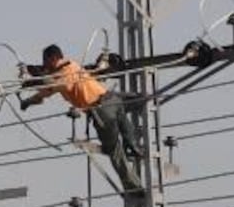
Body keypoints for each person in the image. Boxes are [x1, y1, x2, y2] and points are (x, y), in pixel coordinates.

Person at [20, 44, 144, 197]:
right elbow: (44, 92)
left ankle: (134, 188)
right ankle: (133, 146)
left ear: (53, 59)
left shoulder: (65, 73)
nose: (45, 65)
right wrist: (28, 100)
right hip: (111, 98)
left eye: (45, 61)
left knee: (114, 151)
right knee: (135, 101)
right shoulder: (71, 65)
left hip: (101, 110)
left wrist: (33, 80)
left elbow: (49, 84)